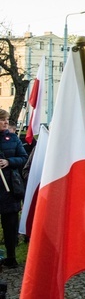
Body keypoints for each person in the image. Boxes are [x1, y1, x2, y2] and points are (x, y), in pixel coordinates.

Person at [0, 109, 28, 268]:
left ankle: (11, 256)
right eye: (3, 120)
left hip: (9, 187)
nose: (6, 122)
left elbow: (23, 157)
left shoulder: (14, 139)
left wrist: (9, 162)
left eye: (7, 119)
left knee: (10, 224)